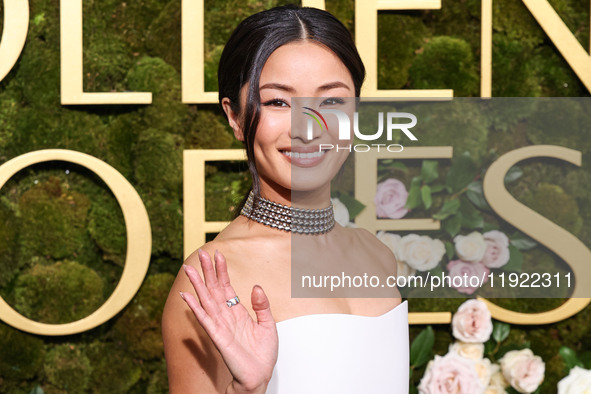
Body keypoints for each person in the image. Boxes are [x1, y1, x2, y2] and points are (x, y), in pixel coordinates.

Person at [162, 5, 409, 393]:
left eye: (332, 101)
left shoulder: (376, 254)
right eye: (278, 102)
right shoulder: (211, 281)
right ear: (236, 117)